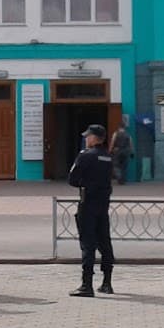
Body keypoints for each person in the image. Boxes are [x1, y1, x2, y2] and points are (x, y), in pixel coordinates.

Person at [67, 123, 114, 297]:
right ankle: (107, 283)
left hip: (87, 205)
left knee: (88, 245)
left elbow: (72, 179)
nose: (86, 139)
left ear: (94, 138)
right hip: (103, 205)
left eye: (88, 136)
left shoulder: (85, 156)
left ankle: (87, 285)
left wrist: (85, 183)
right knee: (105, 243)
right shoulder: (108, 157)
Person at [109, 119, 133, 186]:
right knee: (124, 166)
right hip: (126, 152)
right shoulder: (128, 135)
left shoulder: (116, 133)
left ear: (119, 127)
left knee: (116, 165)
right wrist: (131, 153)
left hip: (117, 151)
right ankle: (122, 180)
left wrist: (110, 150)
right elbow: (131, 144)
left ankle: (119, 177)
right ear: (124, 127)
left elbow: (112, 142)